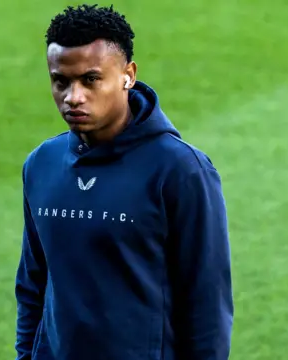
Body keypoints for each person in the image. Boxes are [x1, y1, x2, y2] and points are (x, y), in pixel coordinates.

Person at [14, 4, 233, 359]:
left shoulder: (180, 170)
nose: (73, 97)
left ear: (127, 75)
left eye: (90, 79)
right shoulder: (42, 164)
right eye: (61, 81)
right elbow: (32, 284)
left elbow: (206, 303)